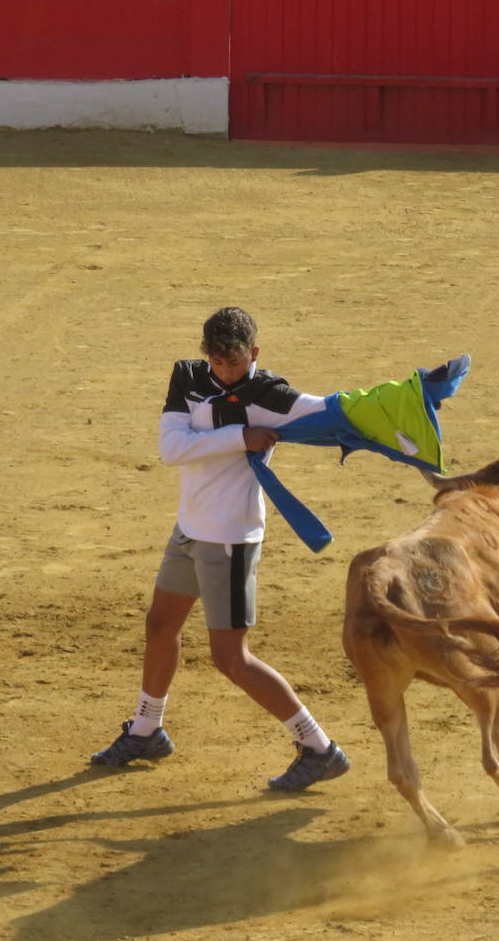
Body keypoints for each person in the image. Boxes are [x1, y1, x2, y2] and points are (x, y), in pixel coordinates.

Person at [90, 306, 350, 791]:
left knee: (231, 658)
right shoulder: (188, 377)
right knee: (160, 625)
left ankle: (319, 747)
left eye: (234, 363)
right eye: (217, 362)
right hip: (189, 528)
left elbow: (338, 410)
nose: (225, 372)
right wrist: (240, 437)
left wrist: (410, 401)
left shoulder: (273, 395)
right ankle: (147, 729)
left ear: (254, 354)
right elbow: (172, 449)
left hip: (230, 538)